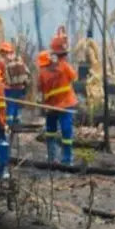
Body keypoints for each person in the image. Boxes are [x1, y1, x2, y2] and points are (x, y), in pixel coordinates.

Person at [38, 27, 79, 165]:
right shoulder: (65, 66)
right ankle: (65, 159)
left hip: (56, 105)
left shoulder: (46, 70)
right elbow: (74, 77)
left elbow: (40, 88)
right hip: (63, 105)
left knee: (53, 131)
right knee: (65, 132)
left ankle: (54, 158)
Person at [0, 41, 31, 126]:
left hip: (8, 88)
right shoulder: (18, 59)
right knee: (17, 104)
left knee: (10, 105)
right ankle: (17, 121)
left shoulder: (1, 62)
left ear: (3, 51)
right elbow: (26, 72)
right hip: (20, 87)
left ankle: (9, 124)